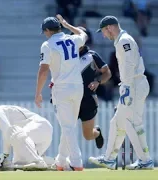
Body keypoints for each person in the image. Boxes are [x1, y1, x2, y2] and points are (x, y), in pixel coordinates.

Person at [89, 16, 154, 170]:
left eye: (104, 31)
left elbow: (129, 66)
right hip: (134, 84)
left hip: (133, 85)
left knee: (129, 123)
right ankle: (110, 159)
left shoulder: (124, 40)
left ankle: (144, 160)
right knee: (119, 123)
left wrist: (127, 90)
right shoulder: (122, 40)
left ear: (110, 27)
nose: (104, 35)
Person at [35, 14, 87, 171]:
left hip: (62, 88)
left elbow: (43, 70)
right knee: (69, 125)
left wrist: (37, 92)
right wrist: (68, 25)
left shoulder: (47, 44)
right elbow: (83, 34)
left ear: (47, 31)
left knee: (67, 126)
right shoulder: (73, 39)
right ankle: (61, 161)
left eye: (45, 32)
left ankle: (76, 162)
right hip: (78, 86)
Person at [49, 27, 111, 149]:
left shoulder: (92, 56)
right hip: (69, 99)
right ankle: (66, 161)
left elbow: (107, 72)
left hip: (87, 99)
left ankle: (97, 132)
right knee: (67, 132)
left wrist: (98, 81)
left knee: (88, 135)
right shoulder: (64, 56)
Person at [0, 105, 54, 171]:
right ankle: (56, 163)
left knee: (14, 133)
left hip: (39, 126)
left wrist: (5, 155)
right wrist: (5, 156)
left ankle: (37, 162)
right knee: (24, 161)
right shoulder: (1, 116)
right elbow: (7, 134)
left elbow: (8, 131)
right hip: (40, 134)